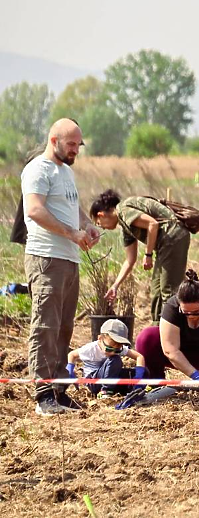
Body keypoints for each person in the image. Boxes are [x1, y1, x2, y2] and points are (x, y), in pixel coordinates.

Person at [22, 118, 101, 416]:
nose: (75, 150)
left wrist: (86, 225)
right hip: (47, 258)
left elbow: (72, 207)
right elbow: (35, 210)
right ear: (53, 140)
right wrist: (70, 233)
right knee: (45, 326)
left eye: (78, 145)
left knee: (64, 327)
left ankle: (58, 390)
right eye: (70, 144)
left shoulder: (65, 172)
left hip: (69, 258)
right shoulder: (38, 170)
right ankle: (43, 394)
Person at [89, 190, 191, 323]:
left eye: (98, 223)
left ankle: (174, 330)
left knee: (168, 290)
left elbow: (152, 224)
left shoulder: (123, 211)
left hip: (174, 237)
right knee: (156, 291)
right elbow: (130, 260)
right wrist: (115, 285)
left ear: (101, 215)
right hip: (165, 245)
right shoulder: (125, 227)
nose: (102, 227)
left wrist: (148, 254)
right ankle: (158, 328)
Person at [67, 319, 146, 397]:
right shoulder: (91, 349)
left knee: (145, 371)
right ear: (100, 339)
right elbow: (72, 354)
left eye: (118, 350)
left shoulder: (117, 348)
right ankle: (105, 392)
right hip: (93, 381)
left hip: (111, 379)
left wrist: (138, 377)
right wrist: (70, 369)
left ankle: (133, 389)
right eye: (109, 349)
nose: (113, 352)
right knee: (115, 360)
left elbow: (139, 356)